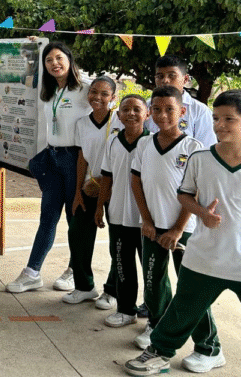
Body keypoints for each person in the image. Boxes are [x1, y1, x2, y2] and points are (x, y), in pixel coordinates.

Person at [124, 90, 241, 376]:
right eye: (216, 118)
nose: (220, 125)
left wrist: (179, 227)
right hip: (204, 253)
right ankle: (160, 351)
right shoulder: (201, 158)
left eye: (230, 119)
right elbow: (185, 195)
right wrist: (202, 213)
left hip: (238, 256)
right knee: (184, 305)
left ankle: (207, 350)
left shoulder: (191, 146)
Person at [130, 85, 210, 350]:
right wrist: (147, 220)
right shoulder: (144, 144)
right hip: (153, 227)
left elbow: (195, 191)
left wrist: (177, 229)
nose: (162, 115)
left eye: (169, 109)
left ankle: (207, 344)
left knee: (191, 288)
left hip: (184, 230)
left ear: (182, 111)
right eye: (156, 109)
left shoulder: (193, 147)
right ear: (150, 112)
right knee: (153, 281)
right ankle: (156, 323)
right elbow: (136, 181)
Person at [7, 42, 91, 293]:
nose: (54, 63)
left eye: (59, 57)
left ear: (69, 59)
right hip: (53, 159)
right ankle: (32, 272)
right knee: (48, 217)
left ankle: (75, 270)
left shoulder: (85, 89)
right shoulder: (49, 92)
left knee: (75, 219)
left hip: (76, 160)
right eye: (48, 60)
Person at [63, 76, 121, 306]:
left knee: (117, 241)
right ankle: (84, 286)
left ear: (113, 98)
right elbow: (81, 158)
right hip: (90, 187)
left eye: (104, 94)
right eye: (94, 92)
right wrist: (78, 190)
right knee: (77, 234)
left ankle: (112, 290)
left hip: (117, 188)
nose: (98, 97)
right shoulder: (82, 124)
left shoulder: (120, 121)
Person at [95, 94, 150, 328]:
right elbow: (106, 177)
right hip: (117, 213)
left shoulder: (153, 143)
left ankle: (155, 318)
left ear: (147, 114)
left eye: (137, 109)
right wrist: (100, 207)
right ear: (118, 115)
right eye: (126, 109)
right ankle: (126, 310)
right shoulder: (113, 141)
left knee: (150, 268)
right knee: (121, 262)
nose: (131, 113)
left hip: (146, 218)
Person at [144, 54, 215, 146]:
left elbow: (206, 149)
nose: (165, 80)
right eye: (160, 76)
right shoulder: (145, 106)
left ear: (185, 79)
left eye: (171, 76)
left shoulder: (200, 111)